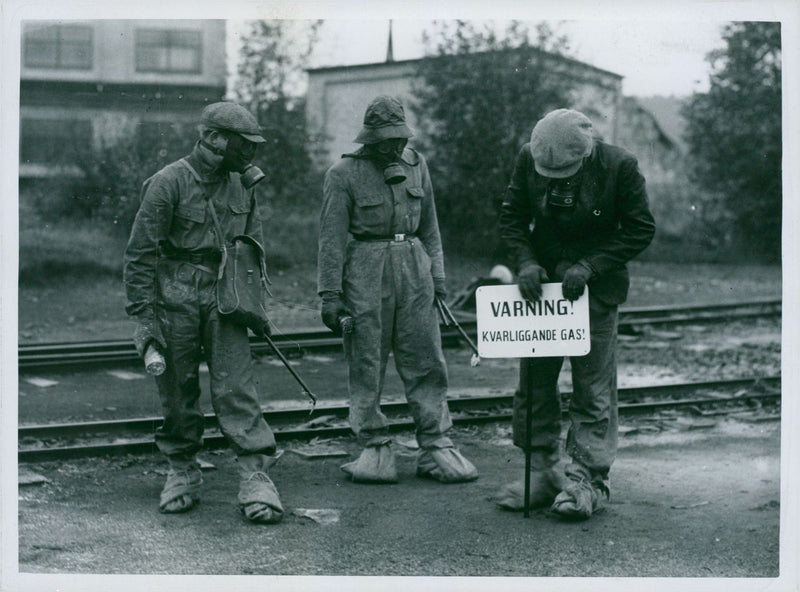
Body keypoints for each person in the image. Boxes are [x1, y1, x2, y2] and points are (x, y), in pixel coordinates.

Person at [123, 102, 284, 524]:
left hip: (226, 295)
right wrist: (145, 319)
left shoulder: (243, 185)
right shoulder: (167, 182)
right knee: (177, 388)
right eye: (243, 144)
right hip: (175, 291)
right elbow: (140, 255)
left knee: (237, 387)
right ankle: (182, 471)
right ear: (214, 139)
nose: (250, 154)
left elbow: (253, 247)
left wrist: (255, 305)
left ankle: (255, 476)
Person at [496, 108, 655, 519]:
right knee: (533, 384)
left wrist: (591, 265)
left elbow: (640, 229)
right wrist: (526, 263)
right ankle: (542, 471)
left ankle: (587, 481)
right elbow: (512, 217)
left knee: (593, 391)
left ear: (585, 156)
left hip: (596, 294)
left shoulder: (620, 167)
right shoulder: (527, 157)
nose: (553, 179)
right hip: (543, 294)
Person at [317, 95, 478, 484]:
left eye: (400, 137)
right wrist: (330, 296)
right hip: (365, 270)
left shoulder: (417, 165)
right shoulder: (343, 174)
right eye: (386, 139)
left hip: (415, 267)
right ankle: (374, 445)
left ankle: (436, 444)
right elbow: (331, 240)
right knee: (367, 359)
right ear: (369, 139)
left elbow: (431, 229)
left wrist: (437, 278)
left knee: (426, 357)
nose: (395, 146)